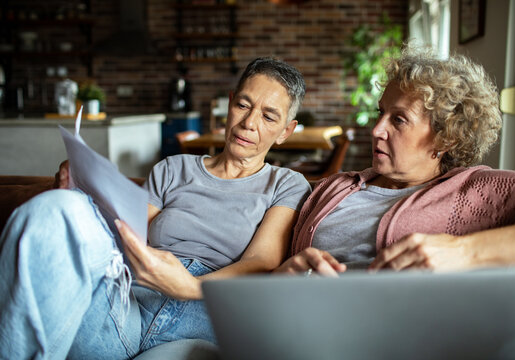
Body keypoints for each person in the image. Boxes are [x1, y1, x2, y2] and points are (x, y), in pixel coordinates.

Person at [0, 57, 311, 359]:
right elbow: (130, 235)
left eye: (269, 117)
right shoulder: (172, 168)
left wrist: (190, 286)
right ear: (229, 104)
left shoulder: (286, 184)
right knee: (54, 209)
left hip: (199, 323)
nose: (249, 123)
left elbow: (260, 261)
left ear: (285, 131)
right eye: (243, 105)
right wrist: (82, 194)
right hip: (128, 306)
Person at [274, 44, 515, 278]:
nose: (377, 129)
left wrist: (462, 251)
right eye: (381, 113)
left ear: (446, 138)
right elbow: (271, 268)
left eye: (398, 119)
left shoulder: (477, 191)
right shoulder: (334, 188)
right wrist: (285, 275)